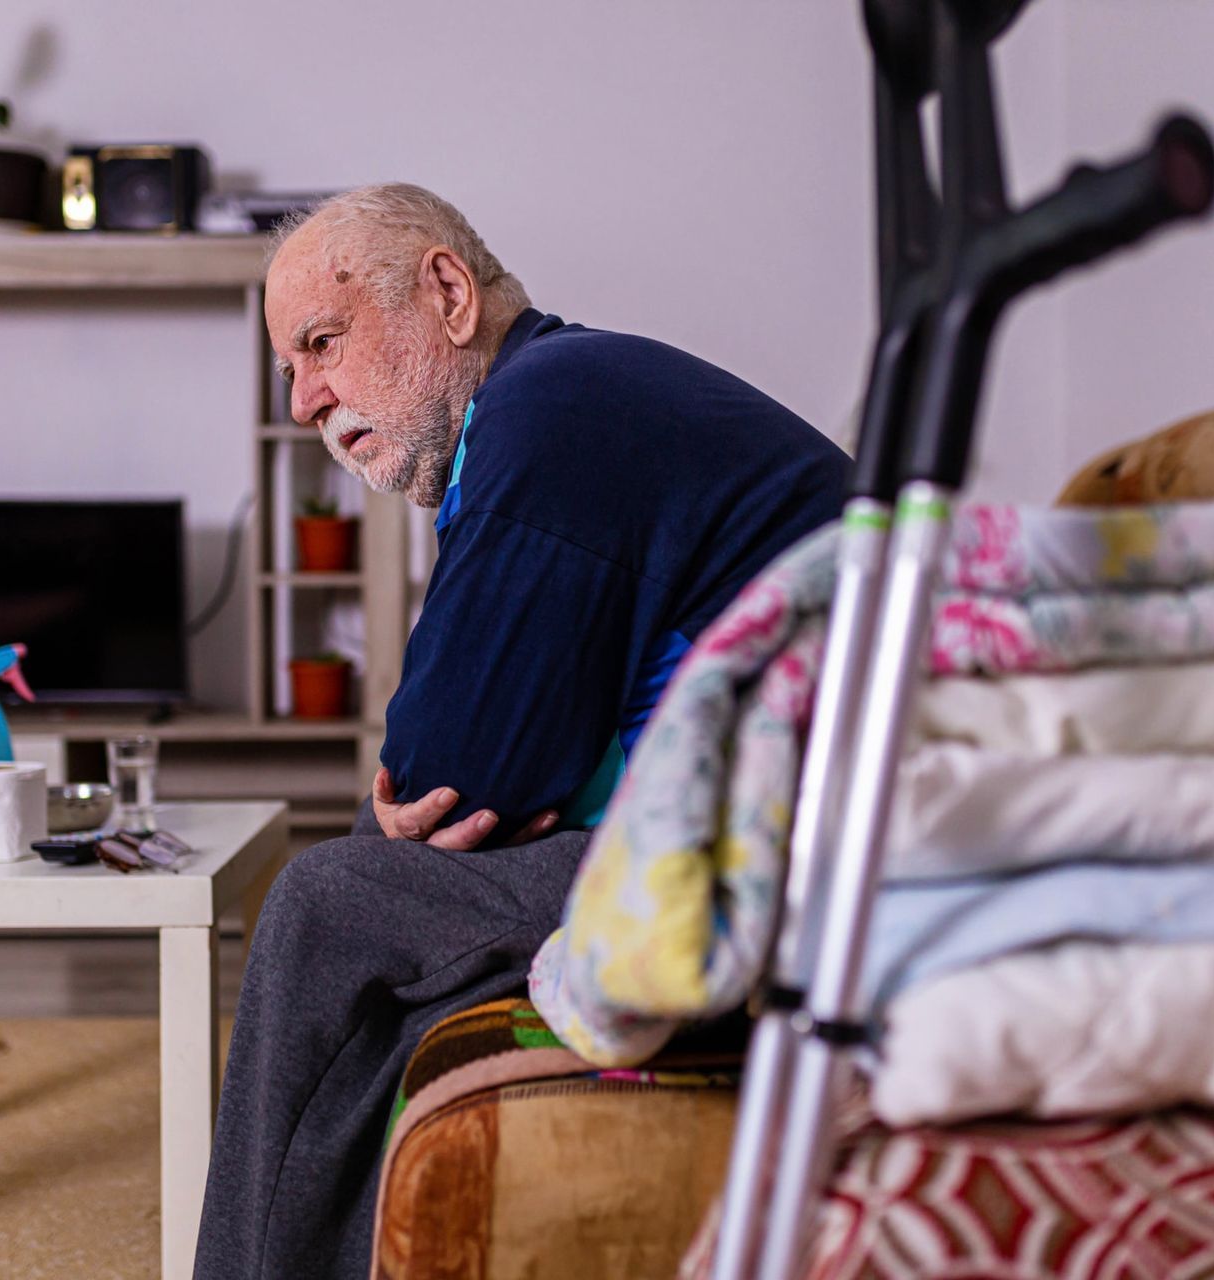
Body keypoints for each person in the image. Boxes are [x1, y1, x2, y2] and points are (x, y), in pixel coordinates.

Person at [194, 184, 848, 1279]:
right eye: (290, 370)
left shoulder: (550, 410)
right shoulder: (560, 400)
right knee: (381, 904)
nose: (306, 400)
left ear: (448, 294)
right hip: (764, 826)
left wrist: (441, 785)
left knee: (329, 904)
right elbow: (472, 754)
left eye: (323, 342)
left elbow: (451, 769)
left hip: (782, 857)